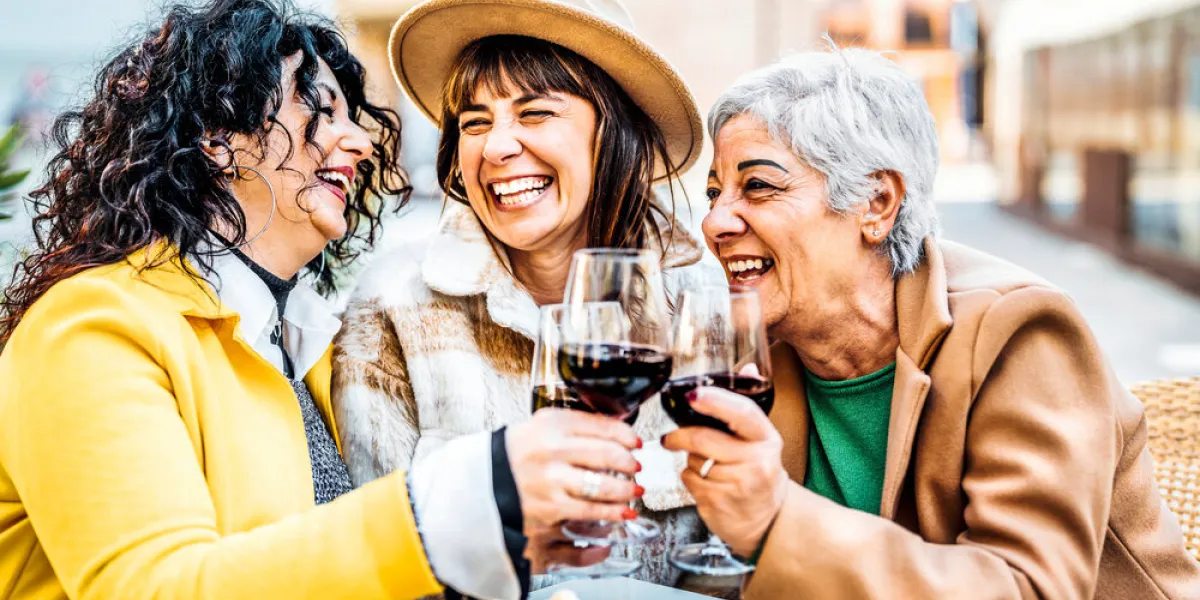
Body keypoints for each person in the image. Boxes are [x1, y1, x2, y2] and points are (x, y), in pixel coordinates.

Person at [0, 2, 640, 598]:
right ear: (219, 139)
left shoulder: (306, 345)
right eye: (320, 110)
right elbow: (159, 586)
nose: (360, 143)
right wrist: (473, 495)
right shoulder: (88, 330)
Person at [663, 47, 1200, 599]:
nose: (714, 221)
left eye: (758, 187)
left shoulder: (1021, 334)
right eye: (714, 193)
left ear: (877, 203)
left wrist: (777, 520)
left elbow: (1030, 589)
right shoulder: (761, 352)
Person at [332, 0, 718, 585]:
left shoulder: (700, 298)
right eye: (475, 122)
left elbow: (734, 561)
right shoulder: (391, 309)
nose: (496, 148)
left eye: (535, 113)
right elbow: (383, 572)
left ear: (612, 130)